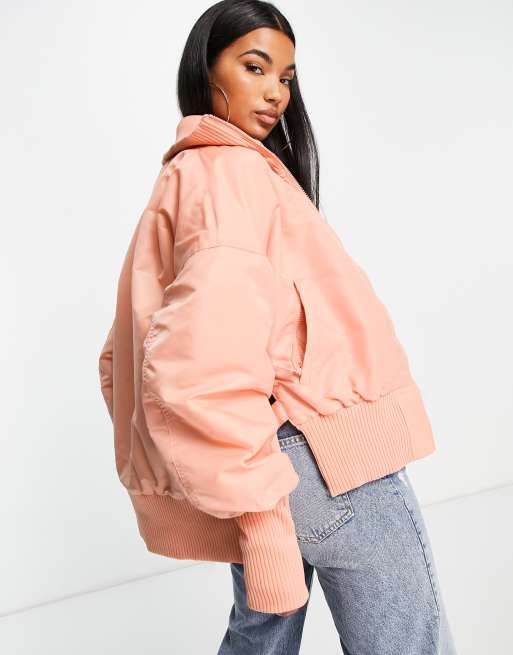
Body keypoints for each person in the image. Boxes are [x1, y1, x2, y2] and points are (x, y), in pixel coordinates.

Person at [98, 1, 458, 652]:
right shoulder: (231, 174)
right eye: (254, 67)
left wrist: (257, 500)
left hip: (270, 461)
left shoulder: (189, 176)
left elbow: (122, 358)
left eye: (286, 77)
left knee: (259, 639)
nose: (275, 93)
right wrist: (262, 512)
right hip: (325, 461)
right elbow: (199, 363)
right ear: (205, 69)